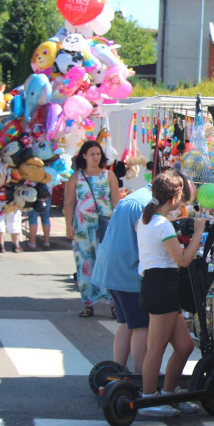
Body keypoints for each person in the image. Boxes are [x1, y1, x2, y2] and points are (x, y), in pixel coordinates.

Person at [136, 170, 205, 417]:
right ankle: (149, 398)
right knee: (156, 347)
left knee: (185, 346)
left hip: (158, 286)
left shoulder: (147, 220)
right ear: (175, 196)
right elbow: (184, 260)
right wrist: (198, 232)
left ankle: (169, 393)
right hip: (161, 287)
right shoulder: (161, 224)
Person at [91, 186, 154, 373]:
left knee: (127, 322)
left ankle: (117, 369)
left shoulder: (136, 197)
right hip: (128, 270)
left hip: (114, 269)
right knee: (141, 325)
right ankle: (142, 374)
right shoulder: (146, 203)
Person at [64, 140, 118, 318]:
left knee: (107, 263)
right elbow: (69, 203)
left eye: (98, 154)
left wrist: (118, 226)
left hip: (105, 225)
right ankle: (88, 303)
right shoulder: (76, 177)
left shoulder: (109, 176)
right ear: (84, 156)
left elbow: (116, 203)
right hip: (82, 228)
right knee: (85, 264)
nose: (96, 157)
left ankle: (113, 303)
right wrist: (68, 225)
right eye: (92, 154)